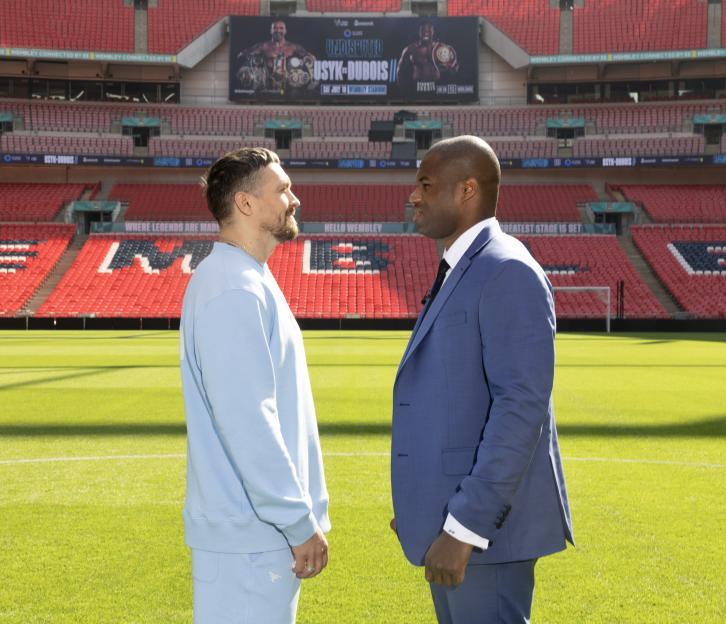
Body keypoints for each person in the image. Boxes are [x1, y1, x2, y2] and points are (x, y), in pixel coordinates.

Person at [390, 135, 573, 623]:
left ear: (467, 189)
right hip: (452, 526)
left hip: (483, 538)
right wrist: (422, 507)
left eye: (426, 185)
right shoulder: (463, 266)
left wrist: (466, 528)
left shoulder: (506, 269)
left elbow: (520, 409)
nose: (413, 196)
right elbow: (456, 402)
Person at [180, 147, 330, 624]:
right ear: (245, 204)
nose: (295, 198)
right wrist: (297, 519)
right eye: (282, 189)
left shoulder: (246, 279)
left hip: (253, 537)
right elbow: (248, 419)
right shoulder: (233, 287)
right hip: (251, 539)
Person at [236, 20, 316, 93]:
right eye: (275, 28)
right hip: (266, 87)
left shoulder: (293, 47)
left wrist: (304, 65)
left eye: (281, 28)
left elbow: (310, 59)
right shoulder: (263, 46)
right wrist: (250, 60)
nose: (278, 30)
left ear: (285, 31)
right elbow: (241, 55)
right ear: (271, 30)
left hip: (289, 87)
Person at [397, 21, 459, 94]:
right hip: (415, 87)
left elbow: (453, 71)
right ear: (419, 32)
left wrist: (453, 67)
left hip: (437, 87)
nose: (426, 33)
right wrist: (402, 91)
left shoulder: (441, 49)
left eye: (429, 30)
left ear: (433, 31)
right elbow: (400, 71)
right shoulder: (410, 49)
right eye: (423, 30)